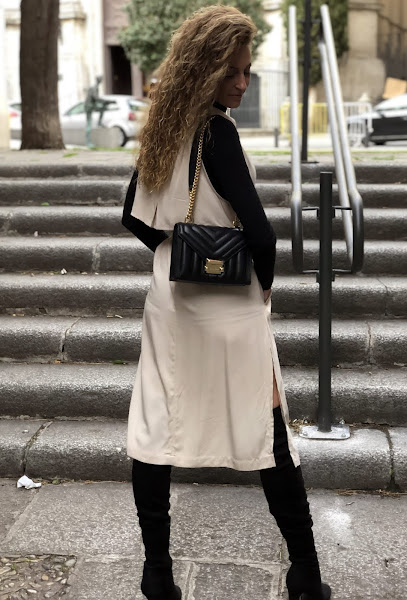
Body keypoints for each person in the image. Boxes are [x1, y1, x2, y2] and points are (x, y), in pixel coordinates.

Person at [122, 5, 331, 600]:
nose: (242, 83)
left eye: (247, 71)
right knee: (266, 429)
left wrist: (177, 249)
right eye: (232, 71)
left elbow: (132, 216)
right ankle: (306, 574)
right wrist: (262, 286)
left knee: (156, 428)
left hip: (171, 302)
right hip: (231, 305)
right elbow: (261, 234)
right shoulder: (217, 131)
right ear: (204, 70)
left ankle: (157, 575)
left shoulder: (167, 126)